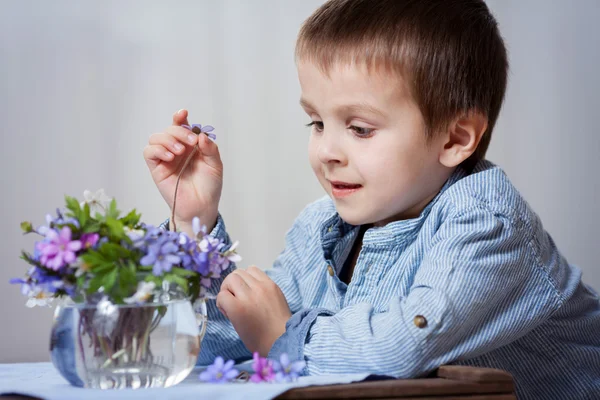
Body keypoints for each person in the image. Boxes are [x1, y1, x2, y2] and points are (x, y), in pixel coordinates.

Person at [143, 1, 600, 398]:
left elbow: (398, 348)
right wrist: (192, 228)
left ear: (455, 139)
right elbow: (210, 346)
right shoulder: (319, 227)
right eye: (317, 123)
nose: (326, 151)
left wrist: (283, 334)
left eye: (360, 129)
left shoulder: (486, 227)